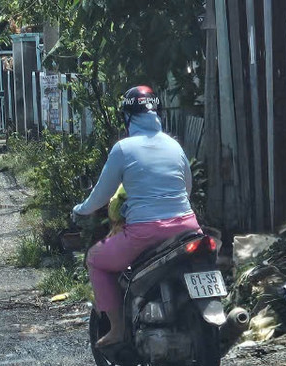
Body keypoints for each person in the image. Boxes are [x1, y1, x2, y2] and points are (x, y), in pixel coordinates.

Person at [72, 85, 199, 348]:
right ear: (157, 114)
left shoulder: (123, 149)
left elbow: (102, 195)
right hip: (188, 228)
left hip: (145, 233)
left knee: (95, 258)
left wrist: (80, 210)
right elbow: (187, 188)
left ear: (127, 118)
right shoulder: (174, 146)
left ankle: (117, 329)